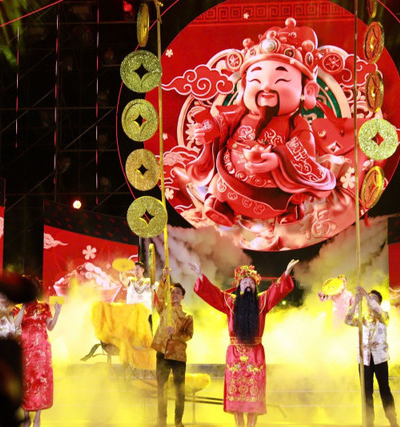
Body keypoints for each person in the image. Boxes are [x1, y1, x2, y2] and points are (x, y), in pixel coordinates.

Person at [188, 17, 335, 227]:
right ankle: (220, 206)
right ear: (242, 88)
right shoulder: (238, 115)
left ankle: (290, 208)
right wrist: (206, 133)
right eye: (256, 80)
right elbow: (218, 126)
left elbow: (304, 153)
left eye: (281, 80)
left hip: (274, 192)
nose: (266, 86)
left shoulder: (297, 125)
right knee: (218, 184)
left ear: (308, 91)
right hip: (231, 180)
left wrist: (278, 160)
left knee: (296, 188)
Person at [189, 259, 298, 427]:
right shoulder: (230, 302)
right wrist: (200, 275)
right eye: (245, 282)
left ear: (255, 287)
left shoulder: (262, 302)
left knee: (254, 394)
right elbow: (213, 293)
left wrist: (286, 273)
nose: (248, 285)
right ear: (239, 286)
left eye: (251, 283)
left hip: (255, 354)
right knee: (236, 394)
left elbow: (276, 291)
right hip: (235, 355)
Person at [344, 286, 398, 427]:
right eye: (368, 298)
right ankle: (368, 422)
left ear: (378, 303)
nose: (369, 301)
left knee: (384, 389)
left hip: (380, 358)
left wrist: (367, 296)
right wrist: (356, 303)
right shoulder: (361, 318)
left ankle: (393, 420)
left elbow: (378, 311)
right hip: (364, 360)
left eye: (374, 299)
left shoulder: (383, 316)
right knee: (366, 392)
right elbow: (347, 320)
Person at [14, 277, 62, 427]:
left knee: (41, 381)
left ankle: (38, 417)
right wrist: (23, 305)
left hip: (42, 350)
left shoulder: (44, 306)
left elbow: (50, 327)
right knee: (26, 382)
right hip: (25, 349)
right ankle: (26, 416)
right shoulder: (17, 307)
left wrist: (57, 313)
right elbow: (15, 325)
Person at [151, 266, 194, 427]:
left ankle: (178, 421)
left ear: (182, 296)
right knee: (161, 389)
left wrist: (175, 333)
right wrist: (164, 278)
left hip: (178, 356)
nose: (174, 294)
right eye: (172, 292)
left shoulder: (187, 316)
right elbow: (159, 297)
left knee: (179, 390)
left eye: (177, 292)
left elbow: (188, 335)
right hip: (162, 353)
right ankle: (161, 421)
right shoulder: (163, 310)